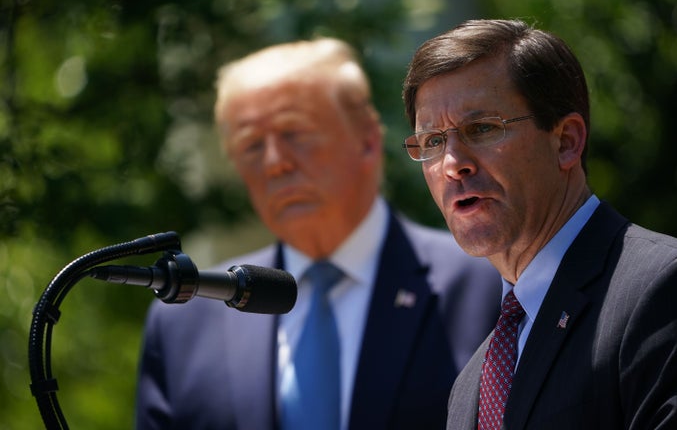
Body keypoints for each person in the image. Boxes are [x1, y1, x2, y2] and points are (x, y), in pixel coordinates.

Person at [135, 37, 502, 430]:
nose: (276, 162)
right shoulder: (186, 323)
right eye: (252, 145)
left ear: (367, 139)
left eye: (295, 133)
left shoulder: (487, 286)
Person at [401, 19, 677, 429]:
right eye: (432, 142)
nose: (452, 164)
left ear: (567, 140)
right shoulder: (472, 384)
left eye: (481, 129)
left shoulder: (668, 288)